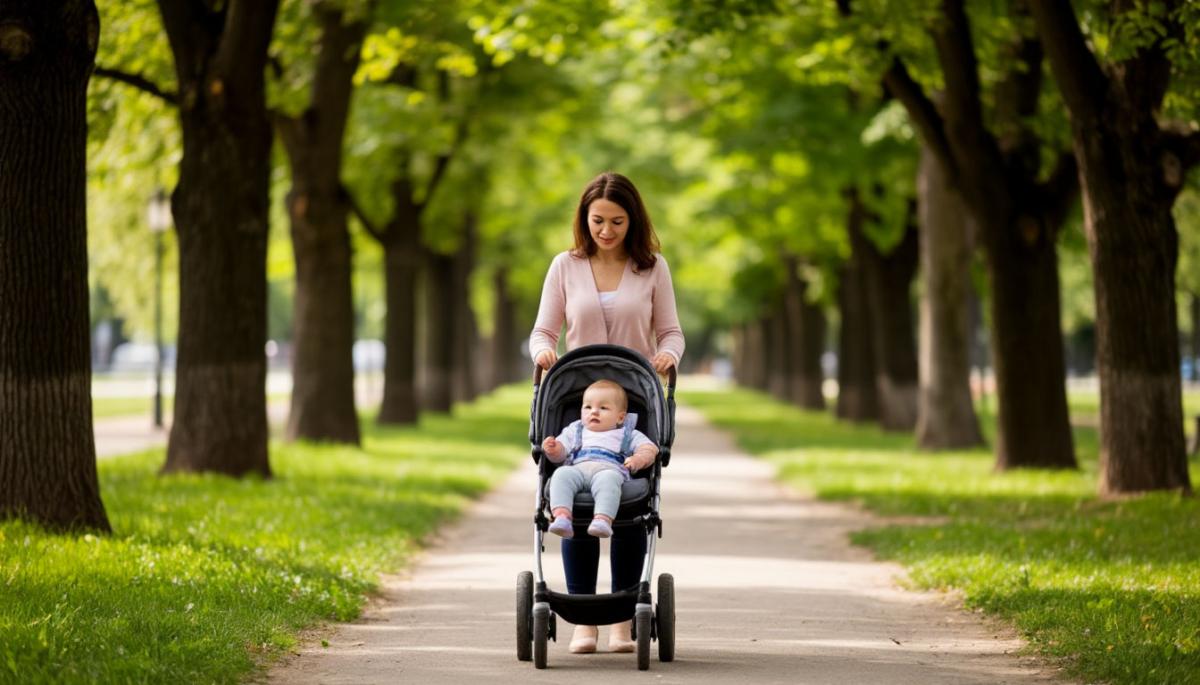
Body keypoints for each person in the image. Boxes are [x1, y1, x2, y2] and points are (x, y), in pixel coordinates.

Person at [530, 171, 684, 654]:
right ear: (585, 219)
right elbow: (542, 332)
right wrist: (542, 354)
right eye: (598, 220)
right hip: (583, 399)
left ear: (632, 220)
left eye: (617, 221)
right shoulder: (565, 266)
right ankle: (583, 621)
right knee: (573, 504)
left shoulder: (652, 267)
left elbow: (671, 333)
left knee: (630, 507)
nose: (607, 230)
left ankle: (620, 621)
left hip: (634, 403)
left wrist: (668, 357)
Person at [543, 380, 659, 539]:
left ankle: (602, 519)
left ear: (620, 417)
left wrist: (638, 459)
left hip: (608, 470)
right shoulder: (575, 429)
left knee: (608, 480)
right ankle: (562, 517)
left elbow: (649, 448)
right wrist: (554, 449)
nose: (594, 412)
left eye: (603, 408)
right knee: (561, 474)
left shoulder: (627, 433)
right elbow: (561, 453)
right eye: (588, 407)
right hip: (577, 470)